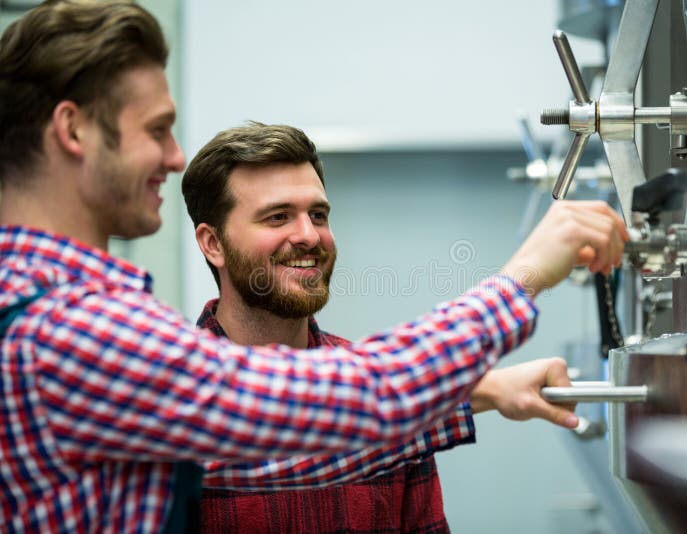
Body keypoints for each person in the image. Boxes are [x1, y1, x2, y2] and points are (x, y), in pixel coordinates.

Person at [0, 1, 628, 532]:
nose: (174, 155)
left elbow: (296, 424)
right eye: (158, 129)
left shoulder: (41, 307)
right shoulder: (68, 328)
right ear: (73, 130)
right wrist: (521, 278)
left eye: (318, 213)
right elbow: (329, 407)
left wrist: (474, 390)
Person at [182, 122, 594, 533]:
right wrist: (521, 286)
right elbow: (274, 436)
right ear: (213, 243)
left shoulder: (396, 397)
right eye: (277, 217)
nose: (309, 235)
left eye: (319, 215)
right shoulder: (174, 391)